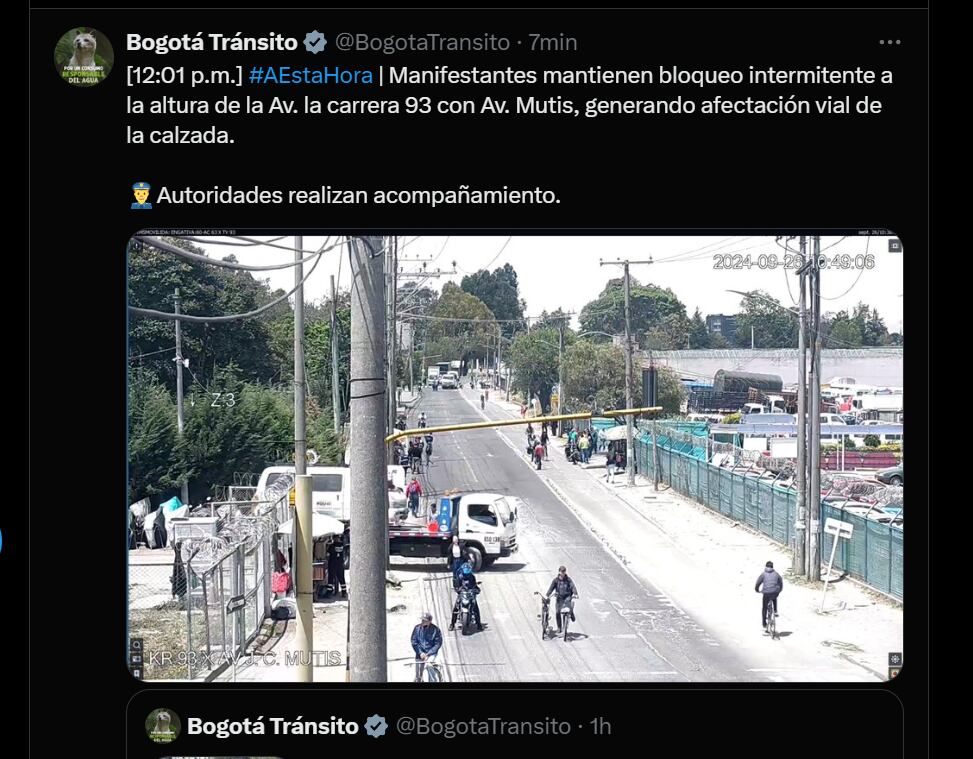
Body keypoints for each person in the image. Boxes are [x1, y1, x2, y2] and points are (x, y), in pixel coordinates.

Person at [450, 563, 484, 631]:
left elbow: (475, 585)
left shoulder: (472, 577)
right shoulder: (460, 577)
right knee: (455, 609)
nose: (466, 575)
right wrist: (457, 589)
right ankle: (452, 624)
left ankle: (479, 625)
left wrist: (477, 590)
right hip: (462, 594)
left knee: (476, 609)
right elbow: (457, 585)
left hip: (470, 595)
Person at [546, 566, 579, 634]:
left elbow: (573, 586)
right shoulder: (556, 580)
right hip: (559, 597)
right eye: (561, 572)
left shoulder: (568, 580)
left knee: (566, 610)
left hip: (567, 596)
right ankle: (559, 628)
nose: (563, 573)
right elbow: (551, 588)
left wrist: (575, 594)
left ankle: (570, 614)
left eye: (564, 572)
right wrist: (547, 595)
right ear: (559, 572)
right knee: (557, 612)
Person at [411, 612, 443, 682]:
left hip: (431, 654)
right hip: (420, 654)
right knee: (418, 675)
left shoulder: (436, 630)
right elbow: (414, 642)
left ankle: (433, 680)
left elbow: (438, 644)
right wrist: (420, 653)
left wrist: (428, 654)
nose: (423, 621)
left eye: (425, 620)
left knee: (429, 665)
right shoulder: (417, 628)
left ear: (429, 621)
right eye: (422, 620)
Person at [755, 560, 783, 630]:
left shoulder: (763, 574)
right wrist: (779, 590)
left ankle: (764, 623)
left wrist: (757, 589)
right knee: (774, 596)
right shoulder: (776, 574)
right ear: (772, 567)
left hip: (766, 593)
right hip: (774, 592)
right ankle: (775, 610)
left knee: (764, 608)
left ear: (766, 567)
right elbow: (781, 582)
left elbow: (758, 583)